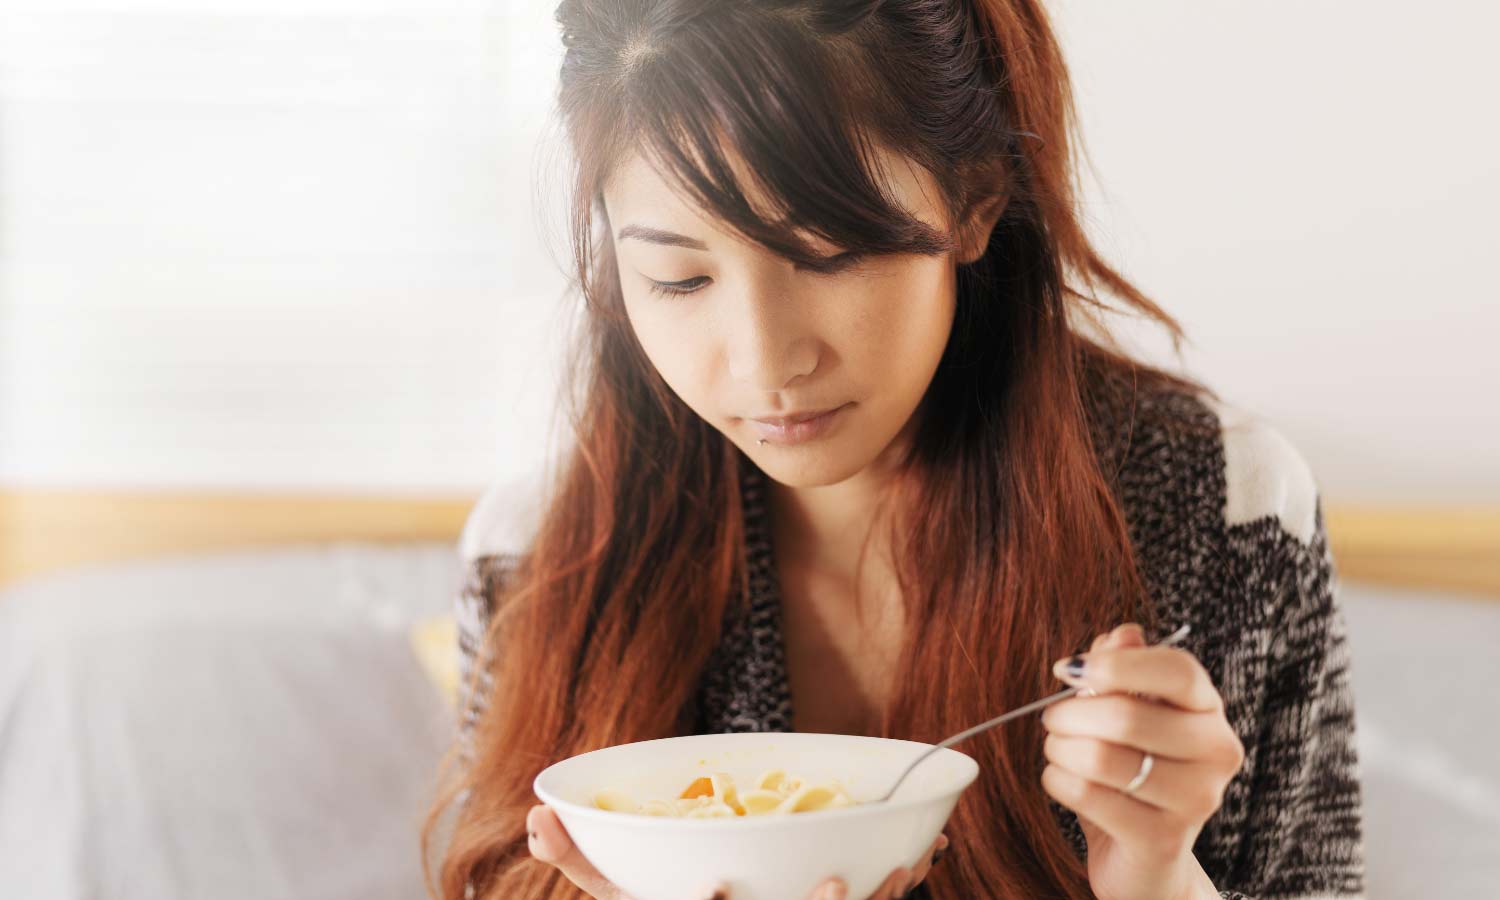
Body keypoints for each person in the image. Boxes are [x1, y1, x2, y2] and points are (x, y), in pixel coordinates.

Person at [421, 1, 1366, 898]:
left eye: (830, 255)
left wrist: (1162, 883)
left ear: (975, 199)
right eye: (679, 277)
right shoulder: (536, 560)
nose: (765, 365)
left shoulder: (1224, 512)